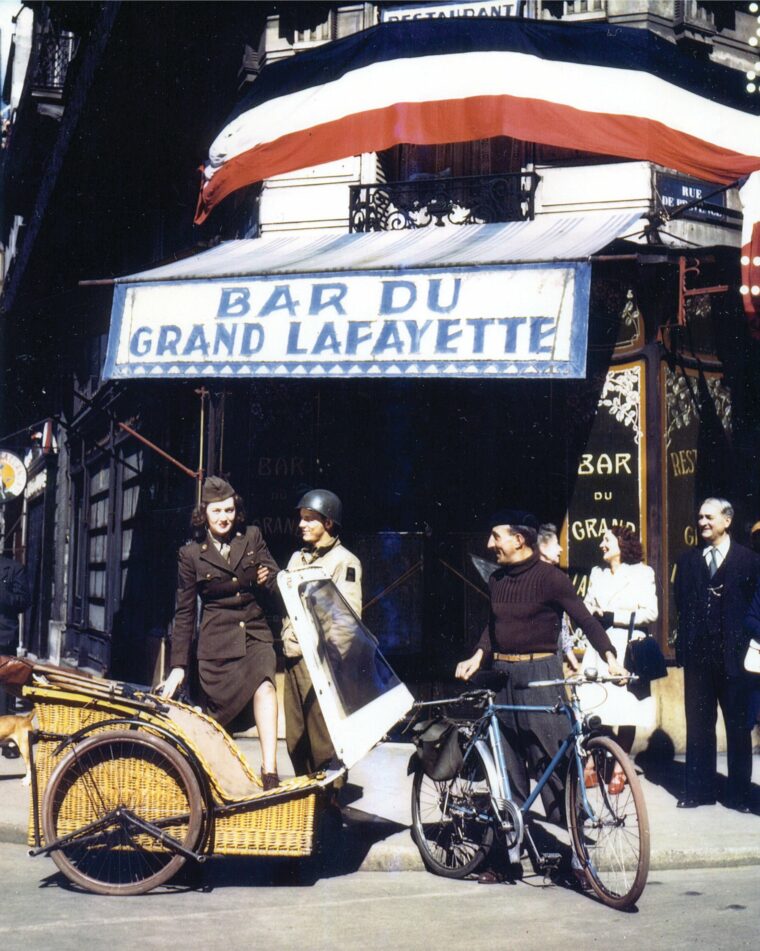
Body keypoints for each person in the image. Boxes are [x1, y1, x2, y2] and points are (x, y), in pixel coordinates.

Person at [456, 509, 625, 828]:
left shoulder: (552, 579)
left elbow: (586, 620)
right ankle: (507, 851)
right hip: (503, 676)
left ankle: (577, 854)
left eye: (496, 536)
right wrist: (478, 654)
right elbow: (494, 625)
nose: (489, 543)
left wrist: (611, 659)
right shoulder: (496, 579)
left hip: (541, 677)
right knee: (506, 764)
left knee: (553, 759)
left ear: (518, 540)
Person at [160, 477, 281, 789]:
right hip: (216, 647)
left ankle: (270, 772)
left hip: (255, 633)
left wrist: (270, 578)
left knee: (266, 687)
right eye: (217, 511)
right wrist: (178, 667)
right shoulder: (190, 555)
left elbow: (275, 577)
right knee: (214, 722)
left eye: (228, 510)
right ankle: (213, 780)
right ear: (205, 514)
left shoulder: (252, 537)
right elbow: (185, 612)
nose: (224, 517)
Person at [674, 497, 760, 812]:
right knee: (698, 725)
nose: (702, 523)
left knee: (738, 728)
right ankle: (699, 791)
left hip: (736, 660)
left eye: (709, 517)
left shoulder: (749, 561)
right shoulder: (687, 561)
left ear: (727, 520)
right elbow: (681, 607)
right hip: (699, 660)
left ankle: (738, 794)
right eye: (699, 517)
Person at [281, 489, 362, 775]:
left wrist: (331, 667)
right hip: (293, 656)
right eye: (301, 519)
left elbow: (345, 621)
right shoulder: (296, 559)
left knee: (324, 739)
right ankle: (307, 794)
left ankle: (329, 804)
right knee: (295, 738)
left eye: (309, 519)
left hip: (319, 662)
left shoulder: (344, 562)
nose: (301, 524)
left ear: (328, 523)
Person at [577, 526, 658, 792]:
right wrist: (592, 613)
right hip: (599, 646)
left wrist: (615, 615)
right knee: (594, 706)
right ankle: (591, 761)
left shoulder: (642, 573)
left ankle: (620, 768)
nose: (602, 544)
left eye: (607, 540)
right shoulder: (597, 574)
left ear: (623, 544)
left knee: (627, 709)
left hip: (629, 648)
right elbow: (588, 605)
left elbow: (651, 612)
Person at [537, 523, 579, 672]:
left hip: (555, 653)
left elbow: (562, 624)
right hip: (538, 656)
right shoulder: (535, 579)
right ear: (542, 547)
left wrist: (571, 657)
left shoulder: (557, 578)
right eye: (556, 544)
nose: (561, 549)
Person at [0, 551, 31, 727]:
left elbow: (25, 601)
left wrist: (2, 594)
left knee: (4, 690)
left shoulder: (14, 568)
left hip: (3, 637)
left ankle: (7, 736)